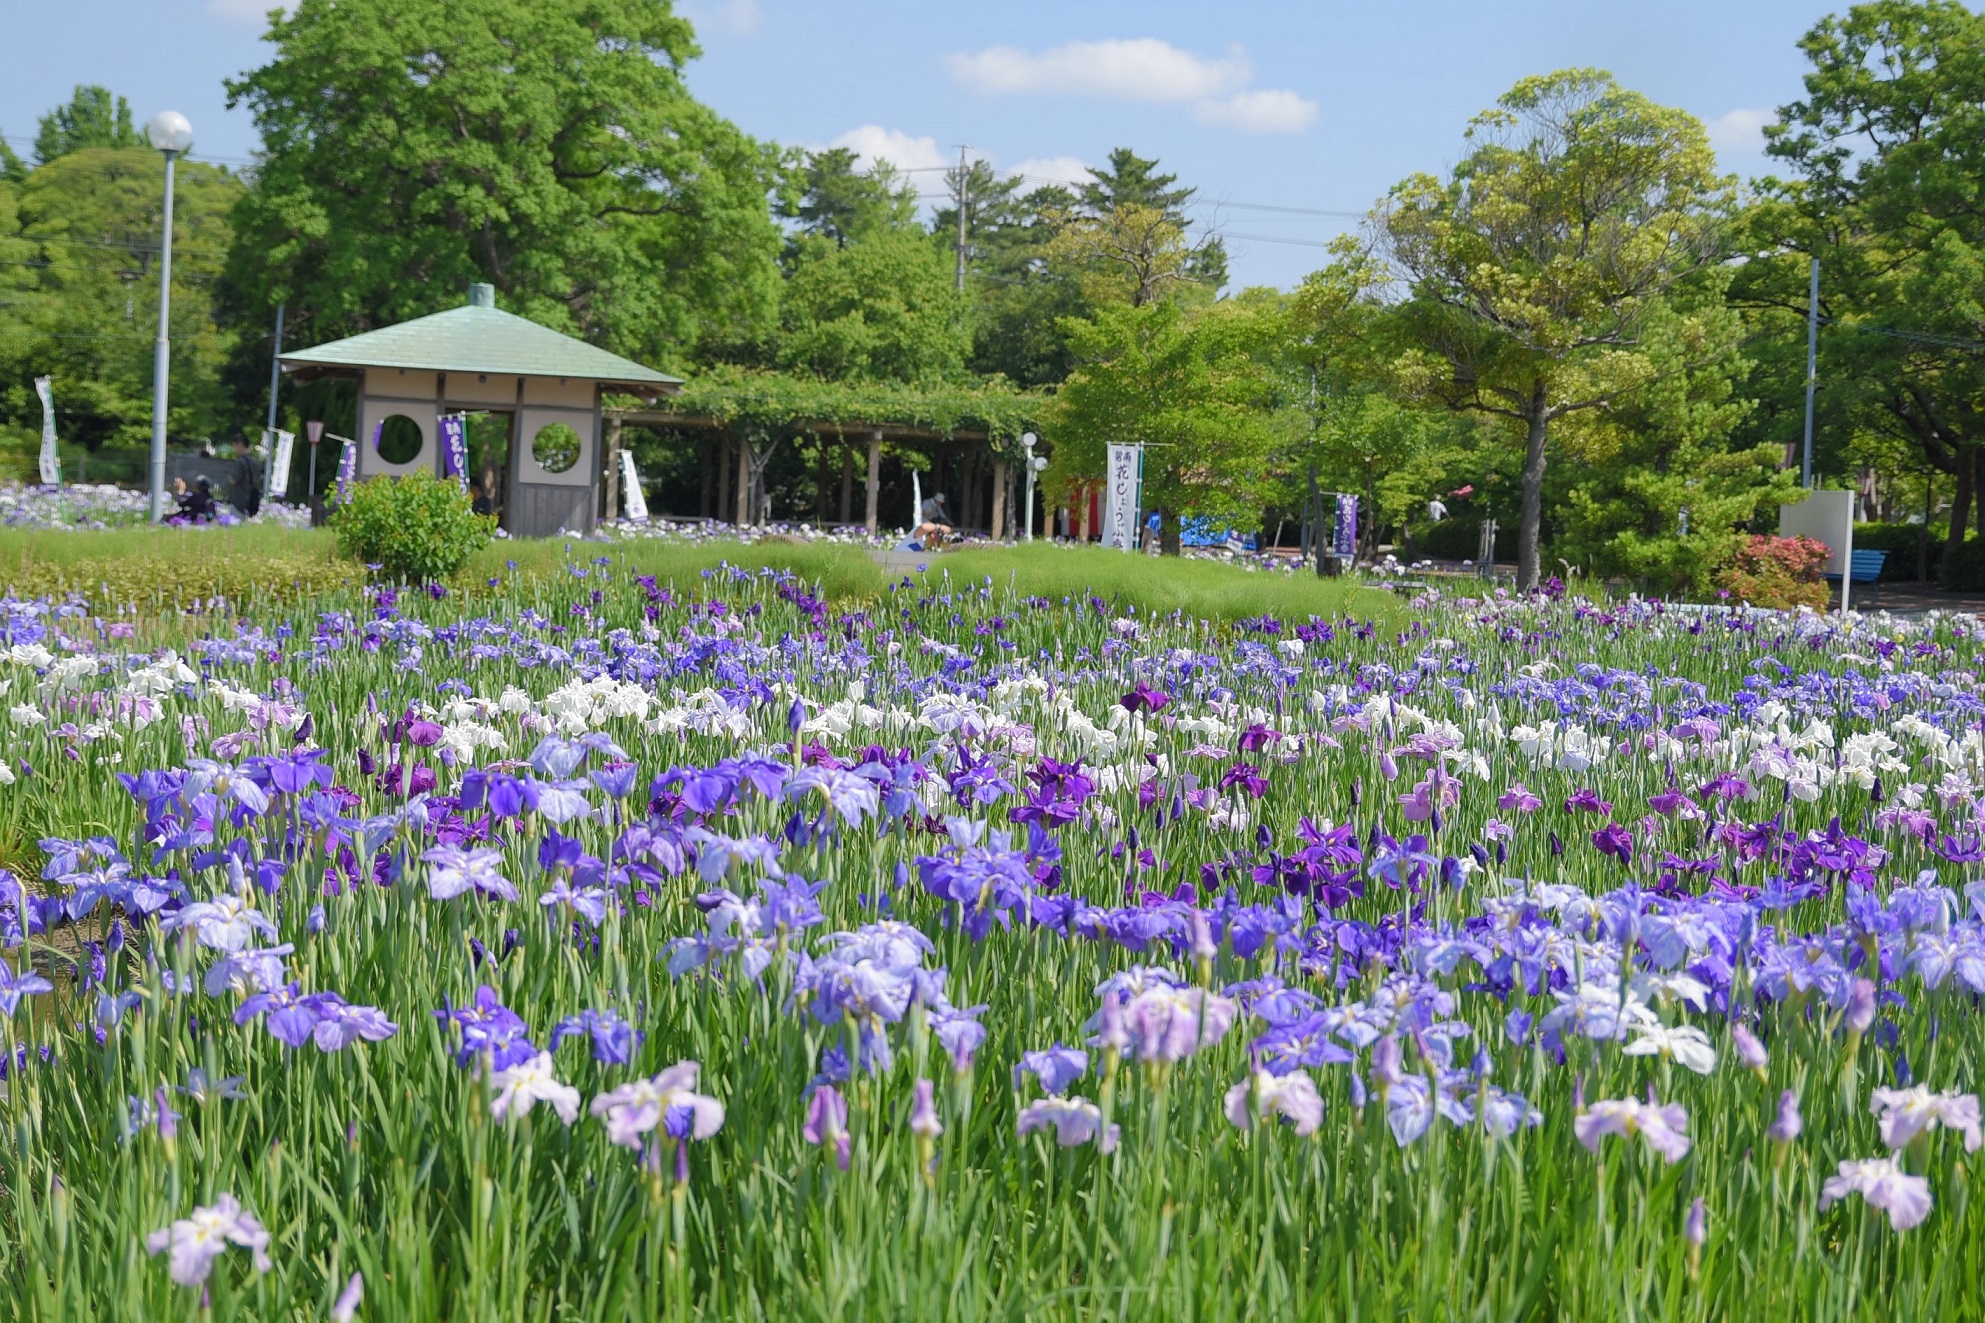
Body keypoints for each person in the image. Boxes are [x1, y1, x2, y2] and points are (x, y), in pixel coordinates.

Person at [228, 435, 263, 517]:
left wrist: (229, 477)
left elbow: (234, 480)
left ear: (240, 445)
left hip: (238, 501)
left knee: (235, 525)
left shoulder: (240, 462)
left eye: (235, 446)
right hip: (252, 500)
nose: (234, 449)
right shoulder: (255, 462)